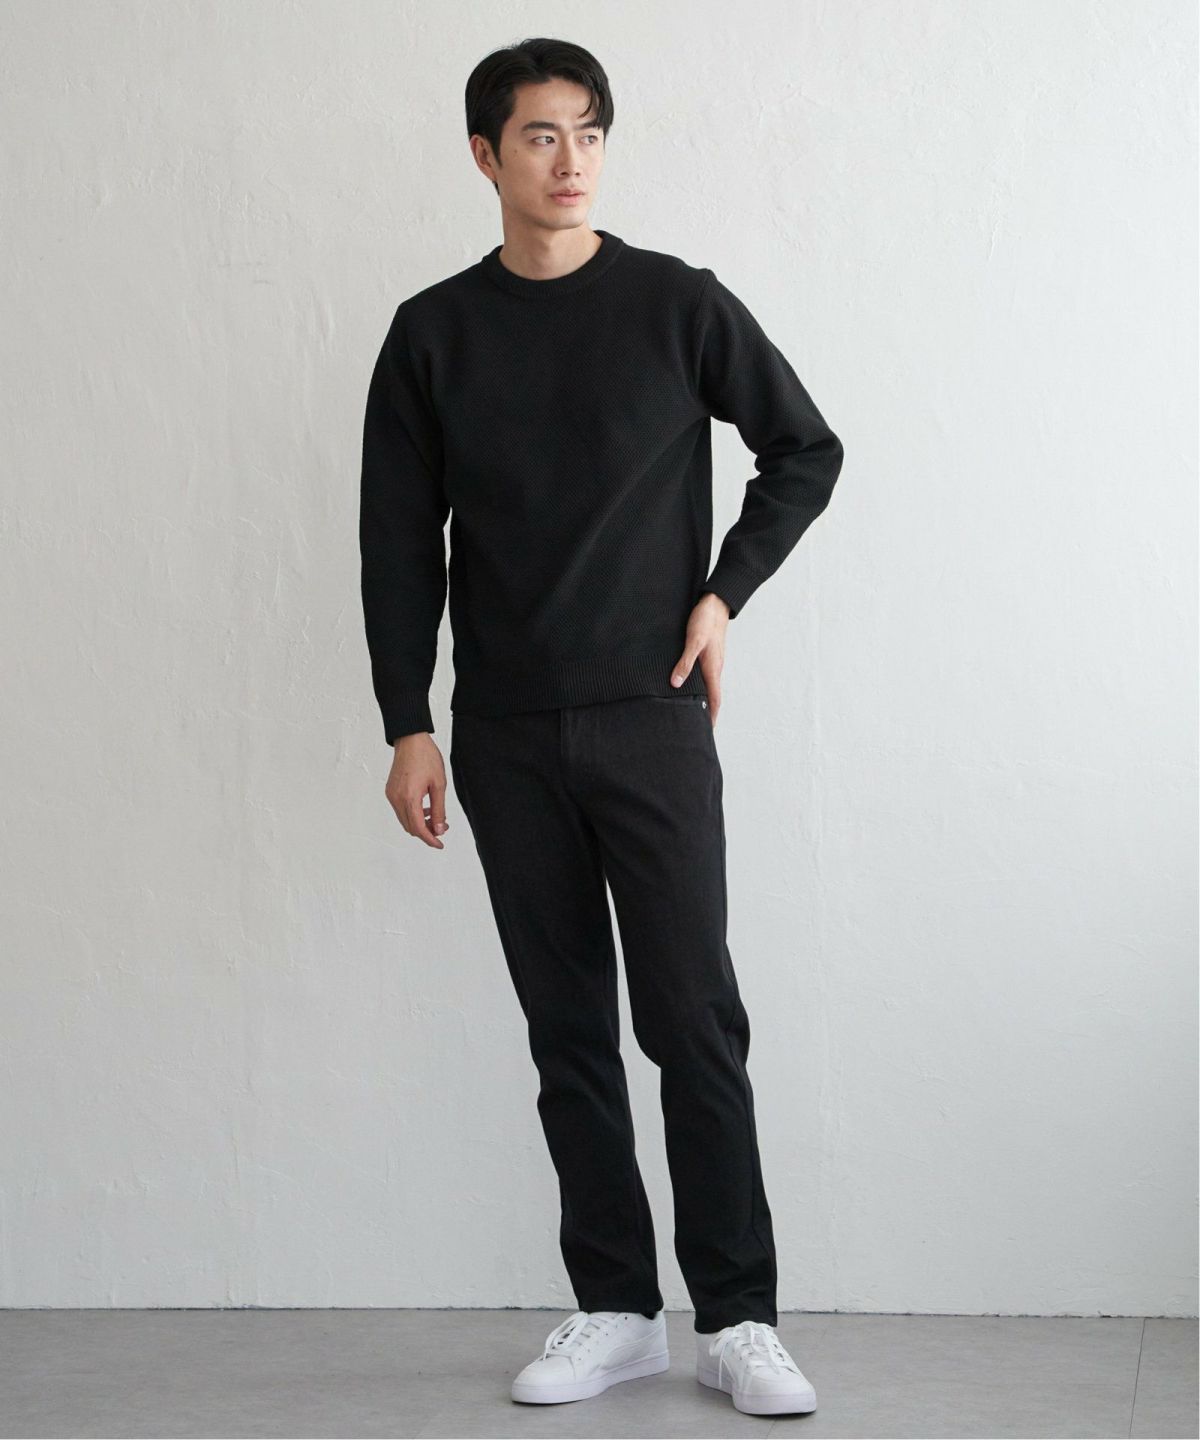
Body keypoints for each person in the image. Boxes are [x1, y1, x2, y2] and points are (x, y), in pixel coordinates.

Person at [359, 36, 843, 1419]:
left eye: (588, 133)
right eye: (539, 136)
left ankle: (737, 1317)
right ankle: (619, 1308)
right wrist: (407, 721)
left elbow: (805, 449)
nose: (570, 161)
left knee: (693, 1019)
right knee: (567, 1028)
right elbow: (397, 539)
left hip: (651, 717)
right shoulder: (433, 334)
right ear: (484, 155)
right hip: (505, 733)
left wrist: (722, 593)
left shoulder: (676, 303)